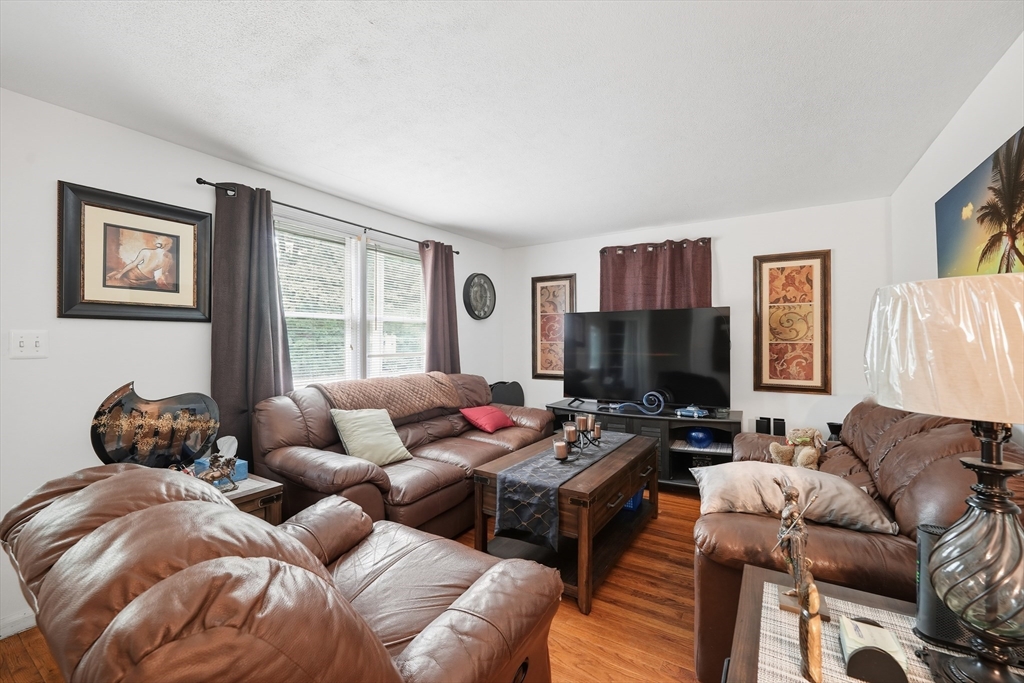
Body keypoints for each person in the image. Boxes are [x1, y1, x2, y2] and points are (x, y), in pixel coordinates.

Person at [108, 236, 175, 290]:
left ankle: (110, 276)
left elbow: (134, 264)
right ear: (167, 246)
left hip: (135, 274)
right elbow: (162, 273)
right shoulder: (167, 259)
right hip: (148, 278)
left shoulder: (146, 251)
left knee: (119, 272)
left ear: (158, 243)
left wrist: (120, 274)